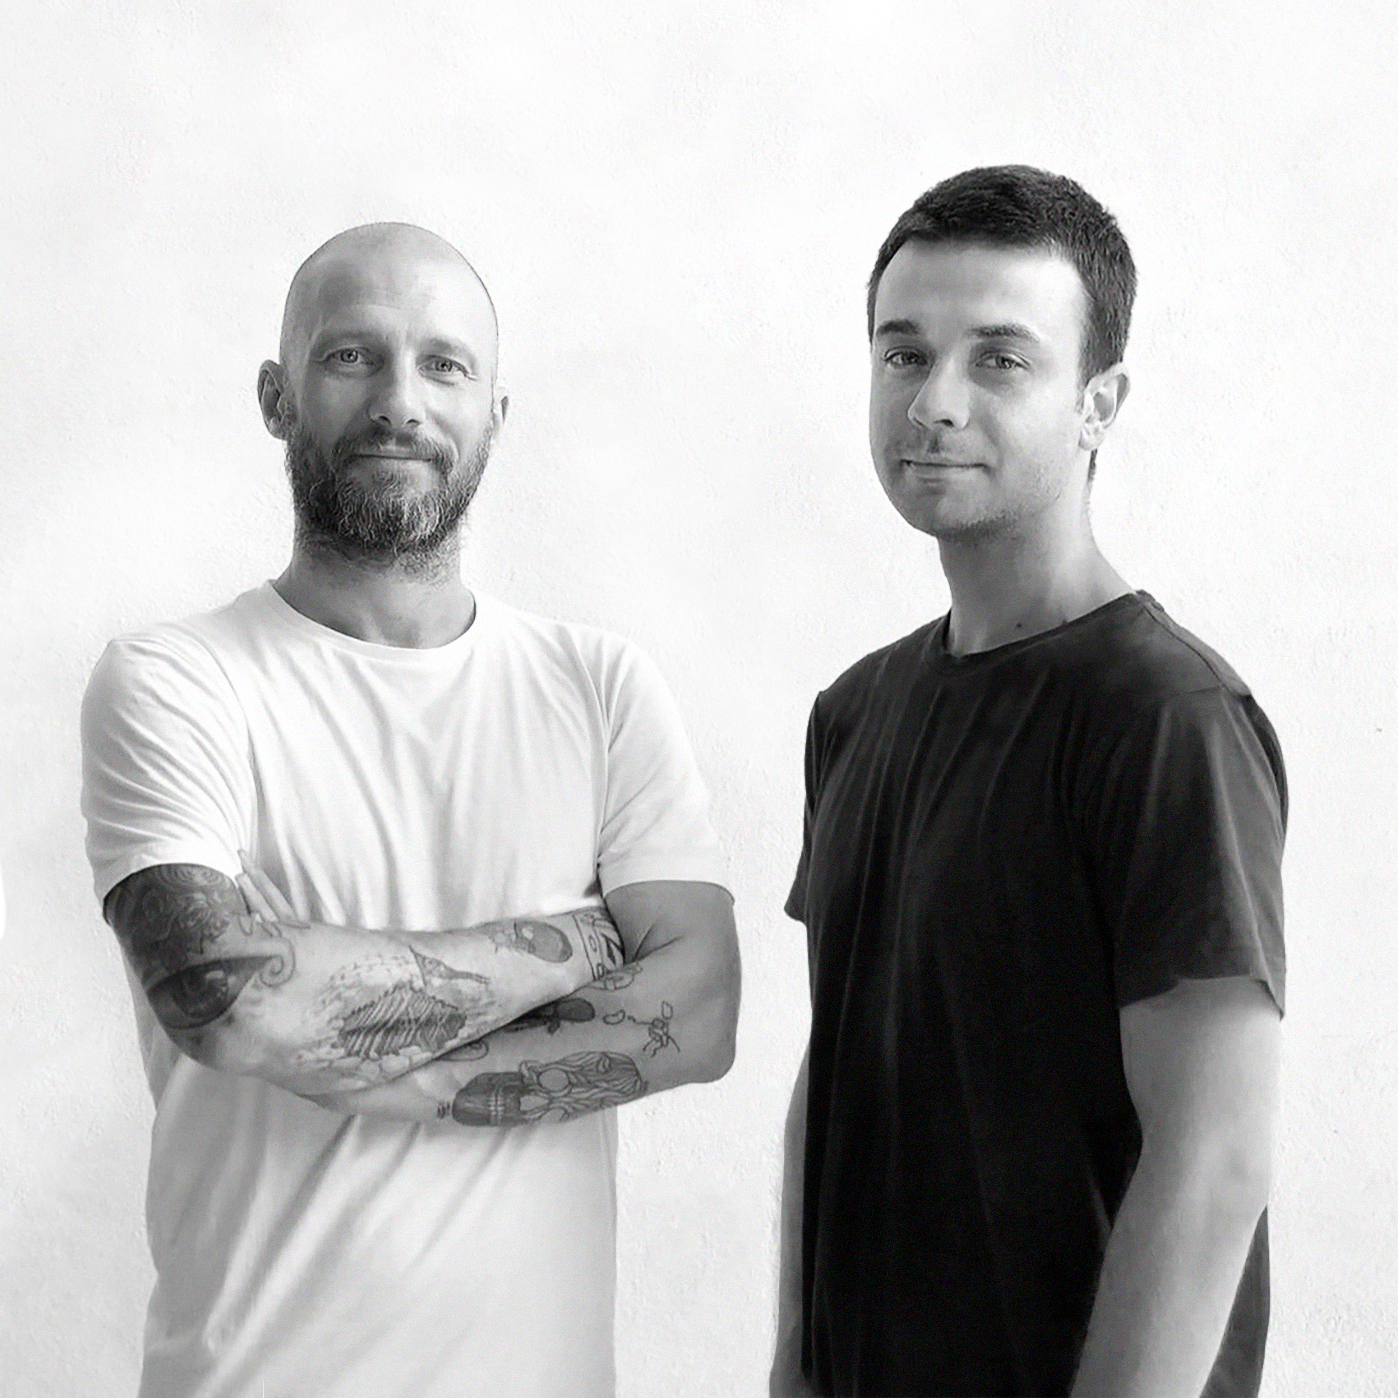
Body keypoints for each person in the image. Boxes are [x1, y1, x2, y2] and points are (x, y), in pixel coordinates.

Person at [81, 222, 740, 1398]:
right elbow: (228, 998)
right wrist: (575, 943)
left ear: (495, 412)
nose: (401, 402)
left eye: (444, 365)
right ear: (277, 397)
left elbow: (699, 1013)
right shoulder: (175, 679)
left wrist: (386, 1063)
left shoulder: (599, 686)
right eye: (352, 357)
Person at [771, 167, 1285, 1398]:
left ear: (1098, 403)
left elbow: (1214, 1160)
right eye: (904, 354)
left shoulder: (1164, 718)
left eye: (1000, 359)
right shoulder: (854, 712)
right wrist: (794, 1362)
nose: (934, 401)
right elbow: (835, 1078)